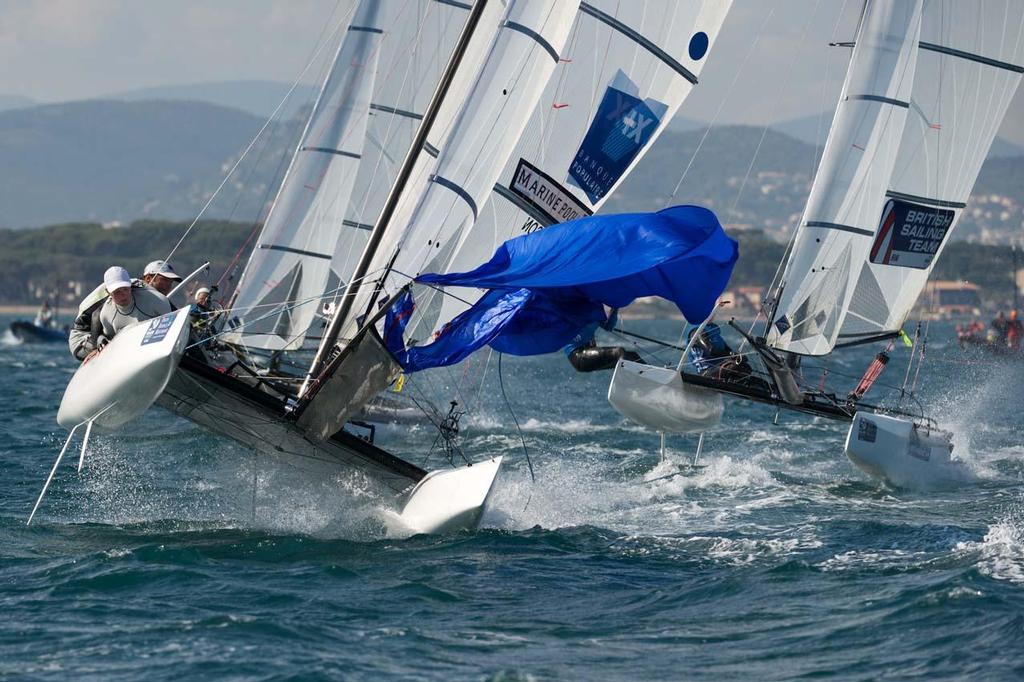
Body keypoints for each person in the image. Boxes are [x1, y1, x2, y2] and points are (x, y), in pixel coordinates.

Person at [95, 266, 172, 348]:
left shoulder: (157, 300)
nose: (123, 295)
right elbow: (109, 338)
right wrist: (100, 340)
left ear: (130, 286)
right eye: (117, 291)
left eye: (125, 289)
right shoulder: (106, 314)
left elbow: (171, 326)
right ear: (108, 292)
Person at [687, 322, 770, 391]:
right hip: (706, 372)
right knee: (733, 367)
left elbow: (729, 351)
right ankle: (737, 381)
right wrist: (732, 355)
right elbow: (711, 351)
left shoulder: (714, 333)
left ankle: (763, 387)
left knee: (745, 367)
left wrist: (739, 357)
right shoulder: (696, 332)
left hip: (720, 369)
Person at [564, 308, 642, 372]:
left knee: (632, 356)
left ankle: (652, 379)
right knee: (619, 353)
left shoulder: (595, 307)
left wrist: (615, 308)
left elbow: (608, 326)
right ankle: (627, 384)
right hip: (578, 356)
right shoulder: (574, 308)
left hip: (591, 349)